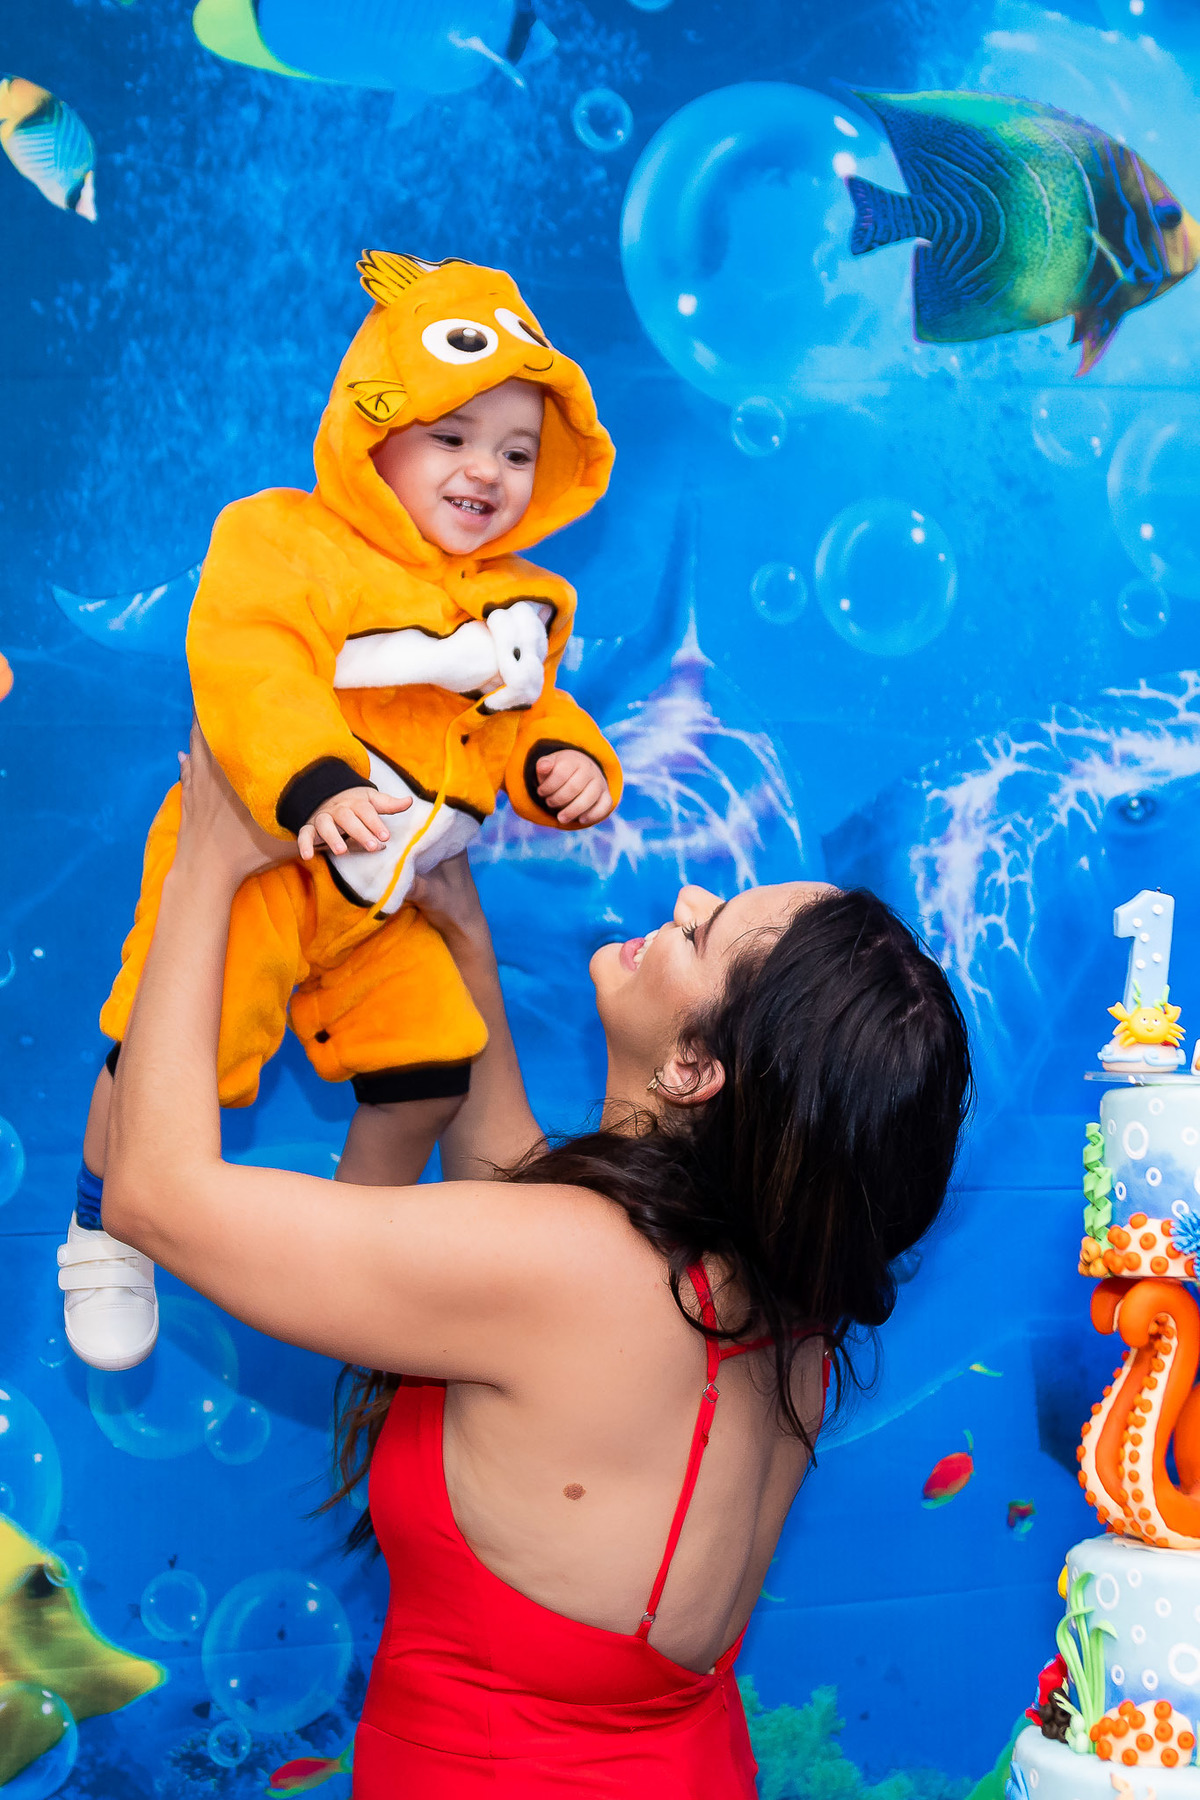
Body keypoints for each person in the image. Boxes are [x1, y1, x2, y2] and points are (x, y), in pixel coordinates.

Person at [100, 724, 972, 1800]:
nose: (689, 901)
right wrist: (463, 934)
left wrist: (205, 862)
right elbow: (518, 1194)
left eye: (709, 938)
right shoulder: (783, 1305)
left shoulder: (568, 1268)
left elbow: (152, 1194)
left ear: (698, 1068)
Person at [58, 250, 624, 1374]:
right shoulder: (292, 541)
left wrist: (570, 764)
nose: (488, 473)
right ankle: (99, 1224)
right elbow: (249, 656)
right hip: (264, 865)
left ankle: (350, 1238)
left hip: (380, 905)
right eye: (452, 438)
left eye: (518, 452)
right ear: (376, 435)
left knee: (431, 1070)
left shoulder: (519, 600)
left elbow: (528, 710)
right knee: (182, 1051)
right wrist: (315, 780)